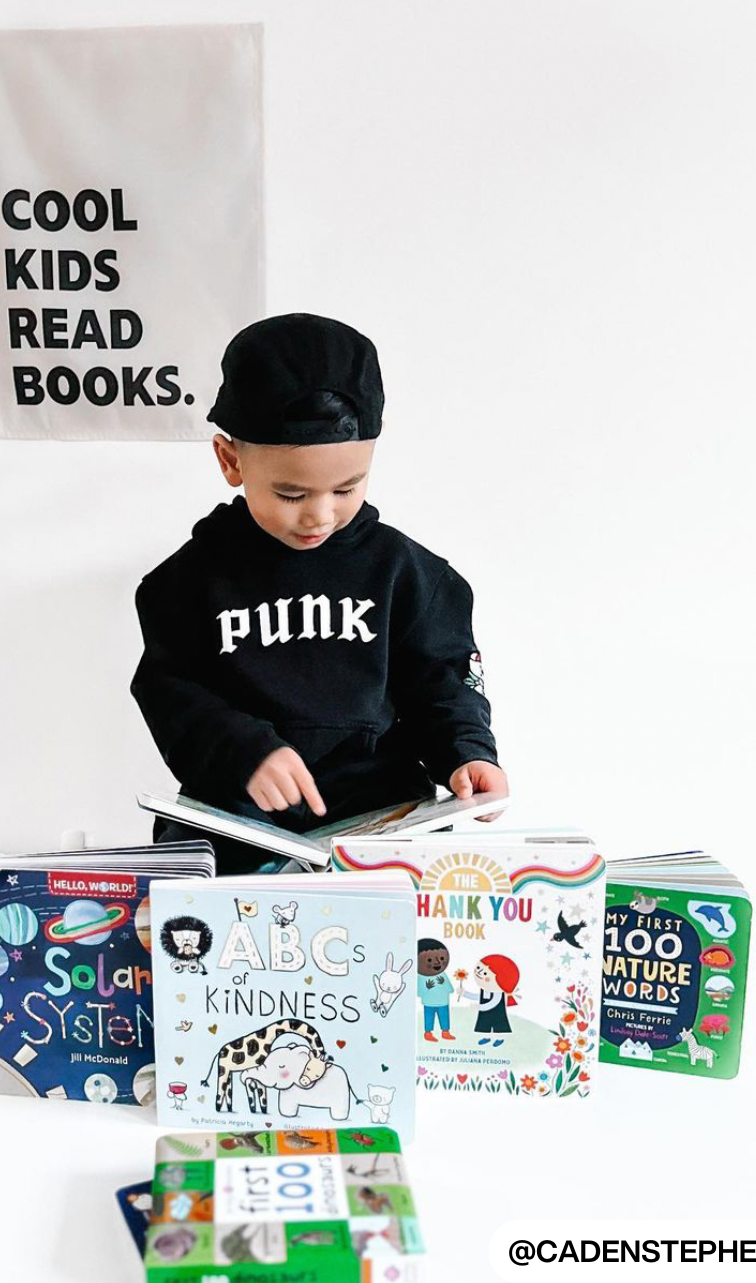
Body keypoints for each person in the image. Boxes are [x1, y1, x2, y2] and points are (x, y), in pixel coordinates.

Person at [131, 313, 506, 872]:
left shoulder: (410, 575)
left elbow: (442, 682)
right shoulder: (184, 583)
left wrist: (467, 754)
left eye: (346, 488)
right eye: (291, 494)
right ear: (230, 461)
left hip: (377, 813)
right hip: (239, 817)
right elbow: (170, 692)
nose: (320, 515)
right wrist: (244, 750)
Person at [460, 954, 519, 1045]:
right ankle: (486, 1037)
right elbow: (477, 996)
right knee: (485, 1025)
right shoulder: (485, 989)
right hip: (485, 1012)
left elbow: (493, 1003)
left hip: (497, 1013)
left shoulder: (497, 993)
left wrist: (479, 1007)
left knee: (498, 1027)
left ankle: (499, 1039)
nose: (479, 973)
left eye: (485, 973)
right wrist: (464, 993)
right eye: (478, 968)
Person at [416, 938, 456, 1042]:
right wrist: (427, 988)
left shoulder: (442, 975)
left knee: (444, 1016)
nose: (438, 962)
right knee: (429, 1017)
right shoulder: (421, 977)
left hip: (443, 1001)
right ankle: (428, 1033)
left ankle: (445, 1032)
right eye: (429, 960)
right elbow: (419, 992)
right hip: (429, 1002)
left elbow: (451, 989)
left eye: (442, 958)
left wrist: (443, 984)